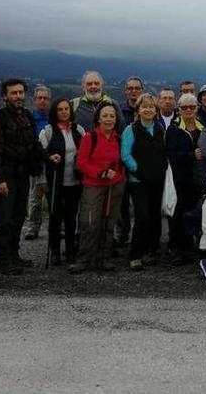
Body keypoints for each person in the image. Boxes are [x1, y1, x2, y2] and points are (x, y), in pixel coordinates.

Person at [0, 78, 44, 275]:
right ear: (5, 96)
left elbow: (35, 144)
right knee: (3, 219)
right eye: (14, 93)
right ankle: (2, 260)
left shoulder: (27, 115)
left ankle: (14, 255)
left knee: (18, 217)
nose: (18, 96)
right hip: (6, 177)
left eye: (20, 92)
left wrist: (48, 156)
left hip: (23, 175)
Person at [69, 102, 125, 273]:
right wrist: (100, 173)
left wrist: (118, 176)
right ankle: (84, 259)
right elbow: (81, 163)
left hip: (115, 185)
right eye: (105, 116)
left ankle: (104, 258)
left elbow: (121, 162)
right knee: (90, 223)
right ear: (98, 118)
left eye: (112, 116)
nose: (109, 119)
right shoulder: (89, 137)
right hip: (93, 186)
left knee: (109, 222)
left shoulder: (118, 138)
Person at [121, 94, 167, 271]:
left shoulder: (160, 128)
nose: (148, 110)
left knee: (155, 216)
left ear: (156, 111)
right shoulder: (130, 130)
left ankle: (152, 251)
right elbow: (125, 154)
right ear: (138, 110)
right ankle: (135, 255)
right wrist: (138, 170)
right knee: (142, 217)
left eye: (151, 107)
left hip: (157, 179)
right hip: (138, 180)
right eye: (144, 107)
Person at [38, 98, 86, 265]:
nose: (64, 112)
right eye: (60, 109)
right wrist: (49, 161)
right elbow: (40, 154)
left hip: (75, 181)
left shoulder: (78, 129)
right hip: (55, 180)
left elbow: (86, 151)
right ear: (55, 112)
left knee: (71, 217)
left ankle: (71, 250)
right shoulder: (48, 131)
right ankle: (56, 250)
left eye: (66, 109)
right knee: (55, 217)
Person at [165, 93, 203, 265]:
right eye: (184, 107)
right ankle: (176, 249)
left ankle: (189, 247)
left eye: (192, 107)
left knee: (193, 212)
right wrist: (191, 155)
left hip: (197, 179)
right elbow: (171, 154)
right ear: (178, 110)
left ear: (197, 108)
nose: (189, 110)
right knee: (177, 214)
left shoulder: (203, 127)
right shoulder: (173, 129)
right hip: (179, 178)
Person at [114, 76, 143, 247]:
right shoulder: (118, 110)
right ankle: (122, 235)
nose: (133, 91)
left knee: (140, 204)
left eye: (137, 88)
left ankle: (140, 237)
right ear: (126, 91)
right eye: (130, 88)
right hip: (122, 164)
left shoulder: (148, 109)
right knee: (122, 203)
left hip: (143, 165)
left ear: (142, 90)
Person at [25, 85, 51, 241]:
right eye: (39, 98)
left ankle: (58, 226)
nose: (42, 101)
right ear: (34, 100)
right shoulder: (29, 119)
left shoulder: (55, 118)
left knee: (54, 198)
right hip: (36, 164)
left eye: (45, 98)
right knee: (35, 198)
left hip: (52, 164)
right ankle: (33, 227)